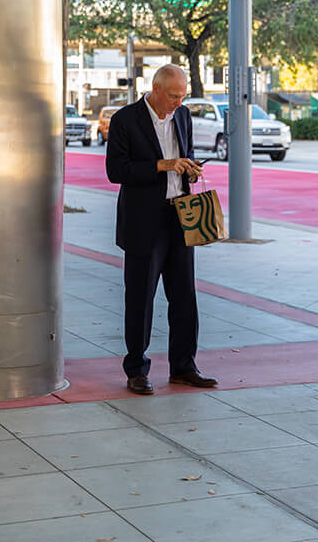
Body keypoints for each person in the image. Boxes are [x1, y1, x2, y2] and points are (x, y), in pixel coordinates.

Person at [106, 64, 219, 395]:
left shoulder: (182, 117)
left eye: (182, 96)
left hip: (180, 217)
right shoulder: (125, 120)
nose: (179, 103)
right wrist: (161, 165)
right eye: (173, 96)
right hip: (144, 221)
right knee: (140, 297)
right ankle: (137, 369)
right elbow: (117, 171)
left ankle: (184, 365)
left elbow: (187, 156)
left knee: (184, 295)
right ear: (155, 89)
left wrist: (191, 170)